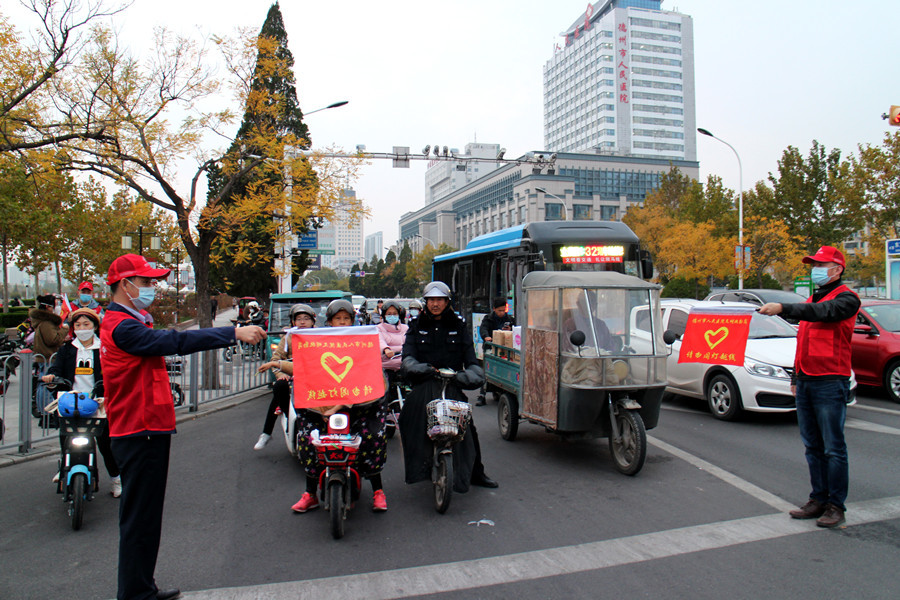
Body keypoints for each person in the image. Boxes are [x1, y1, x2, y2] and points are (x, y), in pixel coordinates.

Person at [100, 253, 265, 600]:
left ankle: (141, 587)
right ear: (123, 285)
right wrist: (232, 332)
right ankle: (134, 594)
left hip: (145, 427)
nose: (152, 288)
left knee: (145, 519)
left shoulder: (130, 321)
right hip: (138, 429)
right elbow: (174, 342)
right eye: (145, 283)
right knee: (140, 519)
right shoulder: (123, 326)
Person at [759, 246, 860, 529]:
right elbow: (803, 343)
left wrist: (784, 307)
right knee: (813, 447)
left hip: (830, 381)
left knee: (833, 448)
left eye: (820, 264)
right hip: (806, 381)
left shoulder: (845, 299)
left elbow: (822, 312)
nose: (814, 269)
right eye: (813, 264)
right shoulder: (812, 299)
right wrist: (795, 378)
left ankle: (835, 505)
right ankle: (818, 498)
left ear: (837, 269)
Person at [290, 299, 390, 513]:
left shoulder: (364, 342)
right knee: (308, 439)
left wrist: (345, 403)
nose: (343, 323)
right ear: (330, 322)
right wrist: (324, 410)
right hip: (322, 407)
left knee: (372, 437)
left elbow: (373, 379)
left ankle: (378, 491)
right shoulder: (316, 343)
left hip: (360, 405)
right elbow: (306, 373)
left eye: (347, 319)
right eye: (338, 319)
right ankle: (310, 493)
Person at [399, 281, 498, 492]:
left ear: (447, 302)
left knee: (468, 428)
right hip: (424, 384)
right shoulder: (416, 326)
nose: (435, 304)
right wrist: (419, 368)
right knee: (409, 419)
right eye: (431, 300)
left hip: (451, 385)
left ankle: (476, 472)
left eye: (440, 300)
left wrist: (472, 374)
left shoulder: (459, 325)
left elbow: (471, 360)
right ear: (426, 302)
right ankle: (419, 468)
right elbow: (407, 357)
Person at [42, 308, 121, 497]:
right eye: (78, 325)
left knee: (105, 443)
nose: (82, 328)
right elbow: (56, 368)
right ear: (73, 329)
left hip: (98, 401)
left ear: (95, 326)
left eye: (86, 324)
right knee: (66, 436)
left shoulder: (104, 348)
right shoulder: (67, 349)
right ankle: (64, 467)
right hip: (71, 401)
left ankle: (116, 479)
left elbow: (115, 370)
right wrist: (52, 376)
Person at [253, 303, 316, 450]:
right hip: (293, 378)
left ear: (313, 321)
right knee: (279, 388)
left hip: (315, 378)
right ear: (293, 321)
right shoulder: (288, 338)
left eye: (306, 318)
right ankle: (277, 427)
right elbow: (275, 360)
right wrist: (281, 374)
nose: (302, 322)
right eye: (298, 318)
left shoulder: (321, 337)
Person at [476, 298, 515, 405]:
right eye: (500, 311)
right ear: (494, 309)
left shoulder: (509, 319)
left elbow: (515, 329)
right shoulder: (488, 319)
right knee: (487, 371)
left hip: (505, 349)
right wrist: (486, 337)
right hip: (491, 348)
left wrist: (510, 330)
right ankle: (482, 394)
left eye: (504, 310)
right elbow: (483, 329)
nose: (502, 313)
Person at [377, 300, 408, 388]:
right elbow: (379, 341)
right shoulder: (378, 328)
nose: (392, 316)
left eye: (395, 314)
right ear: (384, 315)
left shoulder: (405, 328)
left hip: (404, 365)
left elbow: (410, 343)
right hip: (386, 366)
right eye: (389, 314)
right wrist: (386, 349)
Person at [31, 294, 69, 364]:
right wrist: (64, 330)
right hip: (49, 359)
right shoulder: (47, 323)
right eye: (56, 305)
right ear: (47, 306)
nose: (57, 307)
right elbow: (53, 340)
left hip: (45, 358)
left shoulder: (42, 321)